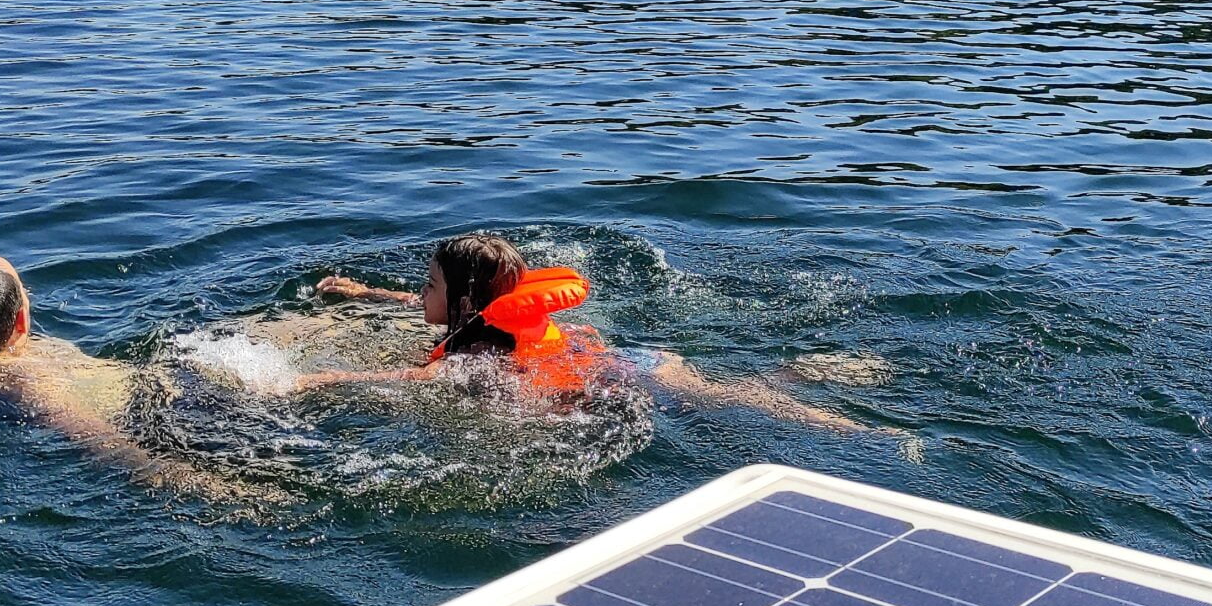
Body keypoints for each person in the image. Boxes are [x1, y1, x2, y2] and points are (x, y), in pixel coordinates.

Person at [314, 233, 873, 433]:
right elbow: (424, 306)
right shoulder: (495, 316)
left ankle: (851, 428)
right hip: (636, 358)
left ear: (463, 302)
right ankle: (802, 376)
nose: (420, 292)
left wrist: (318, 381)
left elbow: (412, 379)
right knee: (722, 394)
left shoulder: (477, 349)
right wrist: (367, 294)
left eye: (429, 284)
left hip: (605, 381)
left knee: (726, 402)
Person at [0, 254, 239, 499]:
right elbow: (115, 450)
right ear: (21, 321)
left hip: (165, 393)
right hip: (170, 415)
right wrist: (231, 493)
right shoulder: (30, 384)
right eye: (24, 292)